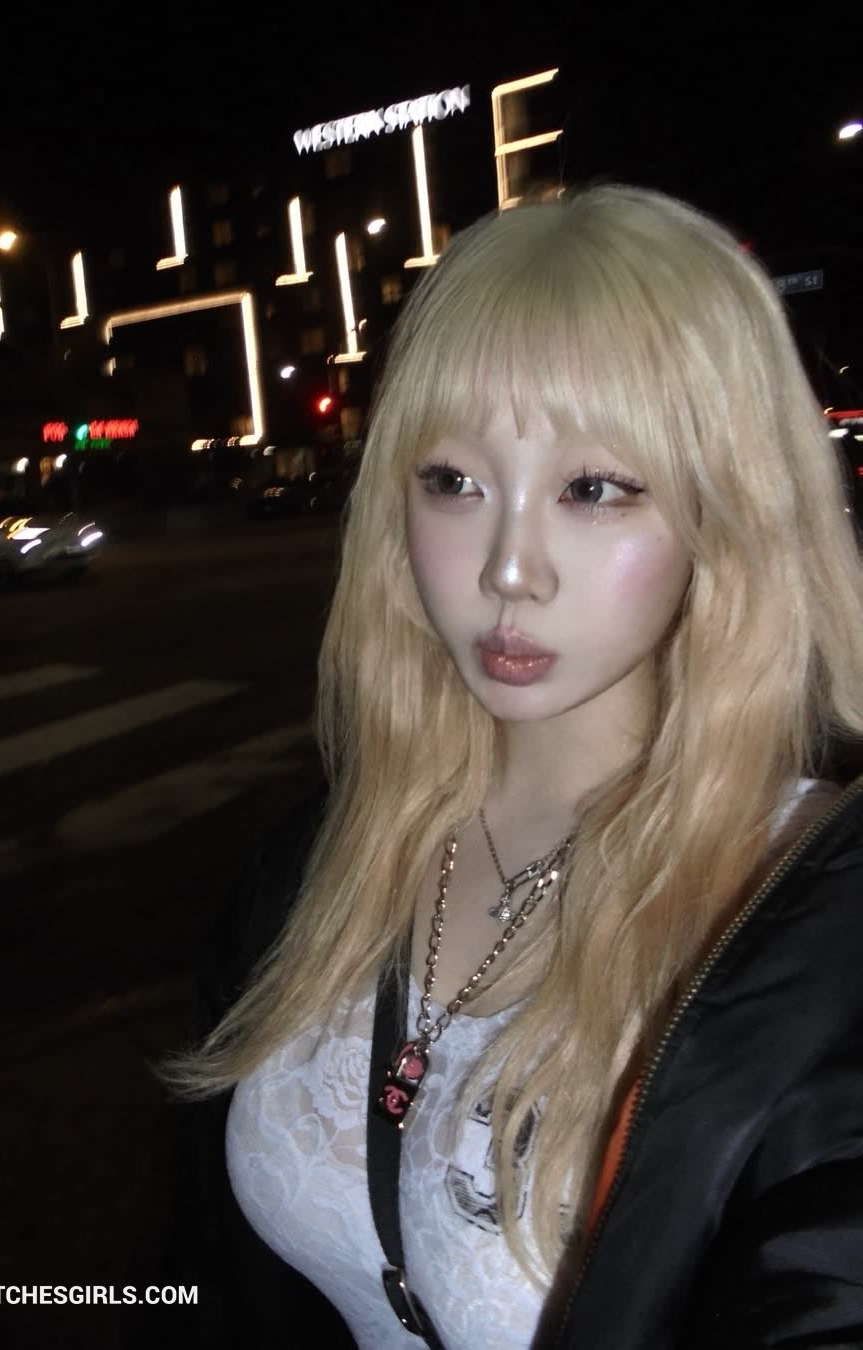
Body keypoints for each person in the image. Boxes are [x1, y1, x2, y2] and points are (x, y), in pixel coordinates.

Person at [156, 184, 863, 1349]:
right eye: (454, 482)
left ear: (727, 508)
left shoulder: (807, 939)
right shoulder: (315, 865)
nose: (508, 569)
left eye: (594, 489)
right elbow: (194, 1284)